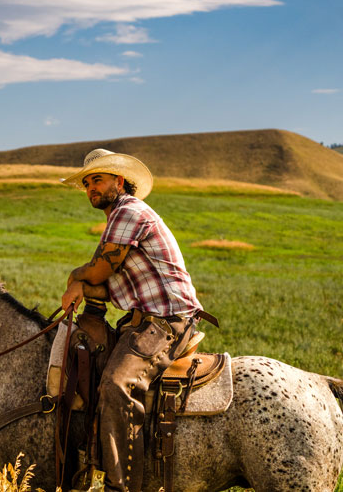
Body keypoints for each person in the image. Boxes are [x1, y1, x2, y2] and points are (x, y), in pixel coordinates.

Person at [61, 148, 204, 492]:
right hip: (143, 322)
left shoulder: (129, 211)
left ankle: (120, 487)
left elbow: (101, 269)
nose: (91, 187)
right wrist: (86, 284)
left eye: (98, 179)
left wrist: (75, 278)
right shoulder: (117, 219)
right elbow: (105, 284)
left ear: (119, 181)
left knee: (115, 385)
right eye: (87, 183)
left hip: (167, 322)